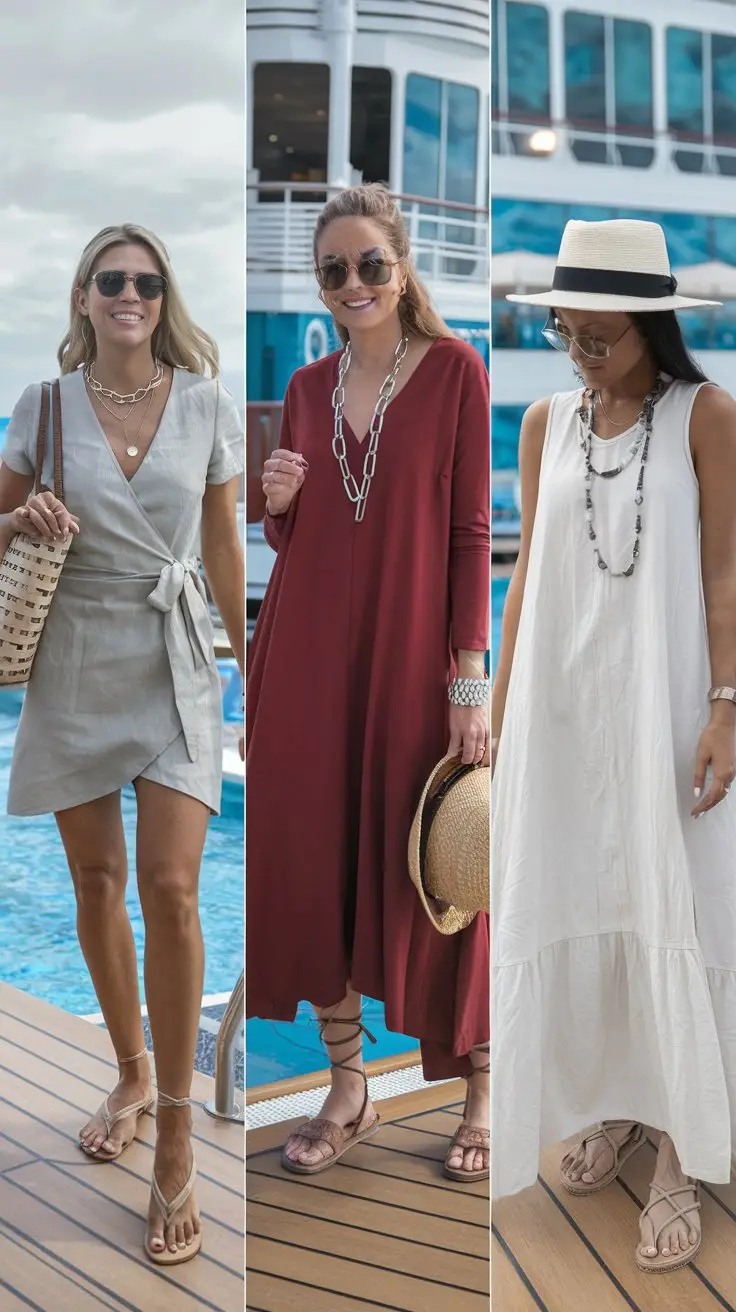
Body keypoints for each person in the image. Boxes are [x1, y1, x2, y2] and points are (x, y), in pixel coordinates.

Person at [492, 217, 736, 1273]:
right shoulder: (546, 420)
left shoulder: (706, 415)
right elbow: (526, 580)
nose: (581, 352)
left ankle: (679, 1145)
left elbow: (726, 575)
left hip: (666, 703)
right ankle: (613, 1102)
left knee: (674, 897)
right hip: (562, 709)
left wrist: (726, 703)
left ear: (649, 327)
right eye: (566, 331)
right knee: (578, 897)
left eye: (601, 336)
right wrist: (495, 714)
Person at [0, 224, 244, 1265]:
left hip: (178, 656)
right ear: (86, 297)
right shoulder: (41, 406)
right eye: (114, 280)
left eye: (147, 280)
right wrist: (20, 521)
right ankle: (132, 1069)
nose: (132, 293)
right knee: (96, 882)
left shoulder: (204, 401)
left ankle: (178, 1119)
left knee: (175, 891)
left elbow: (226, 543)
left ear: (163, 294)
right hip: (74, 655)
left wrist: (251, 677)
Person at [246, 184, 490, 1179]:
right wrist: (276, 508)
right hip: (306, 664)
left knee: (439, 861)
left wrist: (466, 680)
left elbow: (471, 533)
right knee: (317, 863)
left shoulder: (456, 373)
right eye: (333, 270)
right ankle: (349, 1086)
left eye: (369, 265)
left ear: (402, 266)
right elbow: (302, 540)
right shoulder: (306, 389)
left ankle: (479, 1084)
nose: (353, 284)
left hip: (410, 667)